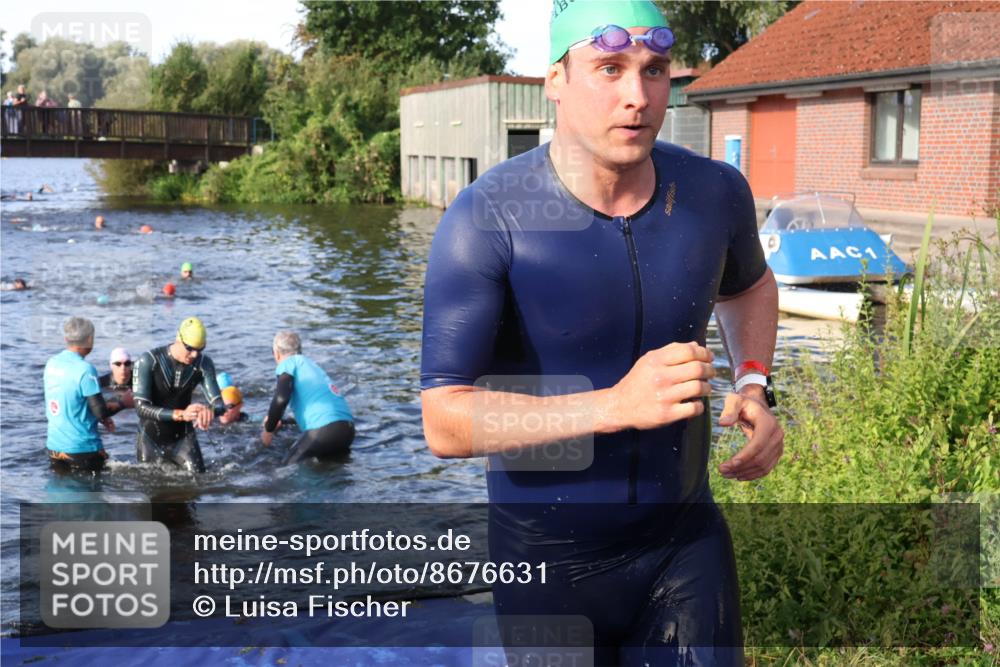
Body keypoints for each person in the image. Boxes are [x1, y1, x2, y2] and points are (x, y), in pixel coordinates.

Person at [419, 2, 783, 664]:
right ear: (555, 80)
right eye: (608, 68)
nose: (636, 96)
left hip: (683, 540)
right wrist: (616, 405)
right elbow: (444, 421)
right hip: (547, 560)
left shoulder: (713, 194)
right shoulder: (489, 217)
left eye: (654, 70)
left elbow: (750, 285)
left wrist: (755, 382)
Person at [132, 317, 232, 472]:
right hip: (150, 439)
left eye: (200, 349)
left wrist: (208, 411)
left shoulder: (203, 364)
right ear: (178, 338)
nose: (194, 355)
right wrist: (180, 414)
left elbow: (219, 404)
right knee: (151, 490)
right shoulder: (149, 361)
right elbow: (140, 408)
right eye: (189, 348)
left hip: (184, 438)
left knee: (199, 485)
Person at [262, 331, 354, 465]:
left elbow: (281, 398)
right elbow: (317, 408)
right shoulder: (312, 365)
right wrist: (283, 421)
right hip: (347, 430)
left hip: (324, 431)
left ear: (276, 353)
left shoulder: (287, 364)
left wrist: (268, 429)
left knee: (284, 470)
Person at [43, 317, 123, 472]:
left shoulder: (51, 363)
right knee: (91, 495)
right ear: (90, 339)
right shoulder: (85, 369)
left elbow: (71, 399)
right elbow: (99, 410)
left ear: (66, 338)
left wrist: (103, 419)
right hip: (82, 448)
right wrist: (122, 402)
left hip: (54, 447)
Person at [99, 347, 135, 414]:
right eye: (118, 364)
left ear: (131, 365)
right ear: (111, 366)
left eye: (127, 364)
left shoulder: (140, 381)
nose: (123, 368)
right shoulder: (101, 383)